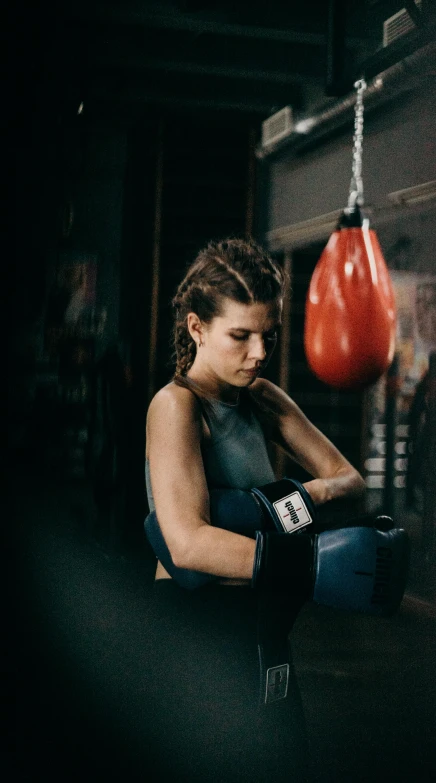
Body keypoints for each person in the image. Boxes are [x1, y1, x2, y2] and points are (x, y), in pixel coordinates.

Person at [144, 238, 366, 782]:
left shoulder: (262, 398)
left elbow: (349, 481)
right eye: (240, 336)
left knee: (283, 761)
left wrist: (273, 503)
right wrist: (308, 563)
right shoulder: (176, 406)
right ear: (197, 327)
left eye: (267, 335)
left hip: (265, 618)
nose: (259, 352)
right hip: (198, 627)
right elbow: (188, 544)